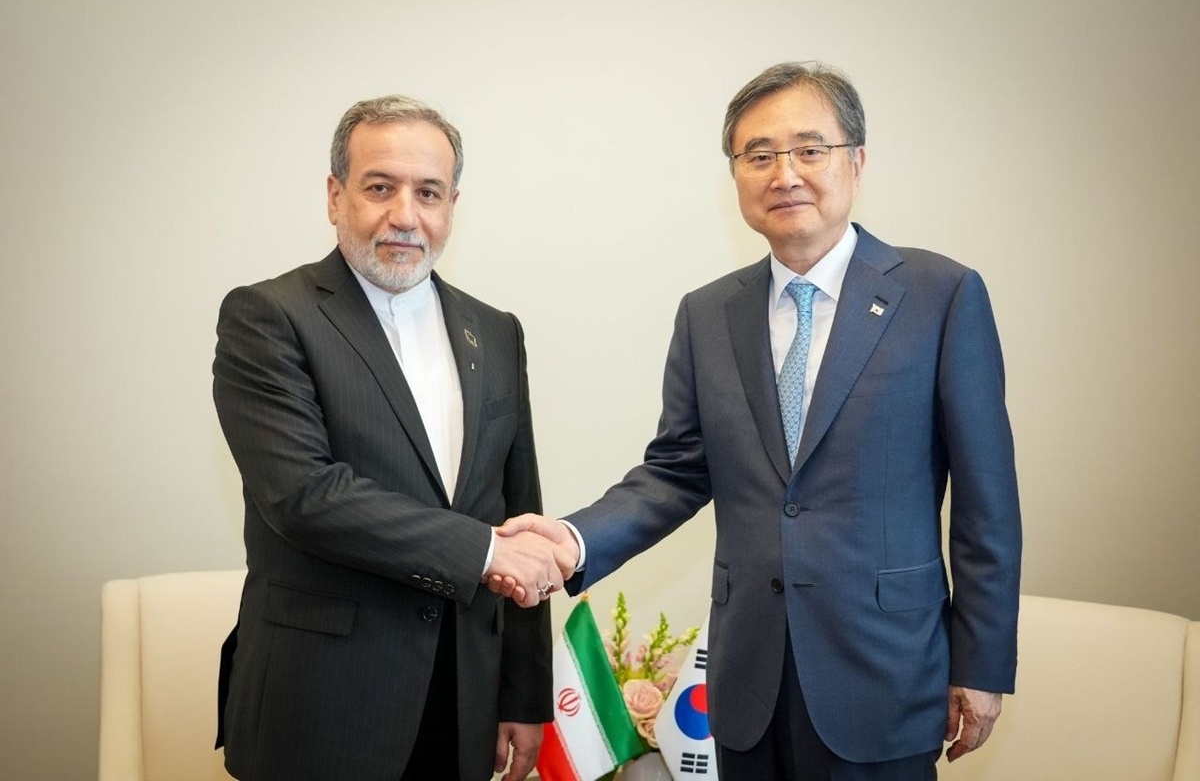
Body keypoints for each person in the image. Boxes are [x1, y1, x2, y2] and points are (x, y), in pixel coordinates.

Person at [496, 62, 1021, 780]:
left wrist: (982, 662)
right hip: (749, 680)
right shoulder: (708, 313)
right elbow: (677, 472)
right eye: (759, 155)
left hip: (886, 671)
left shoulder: (941, 295)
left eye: (810, 149)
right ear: (736, 173)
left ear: (857, 162)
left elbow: (988, 505)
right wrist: (571, 540)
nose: (785, 173)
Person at [212, 95, 570, 781]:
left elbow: (517, 509)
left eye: (428, 192)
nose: (405, 215)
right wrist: (485, 550)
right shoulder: (268, 317)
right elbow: (304, 496)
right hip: (323, 705)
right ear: (335, 195)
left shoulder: (496, 332)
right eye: (380, 187)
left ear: (452, 206)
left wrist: (524, 695)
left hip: (461, 703)